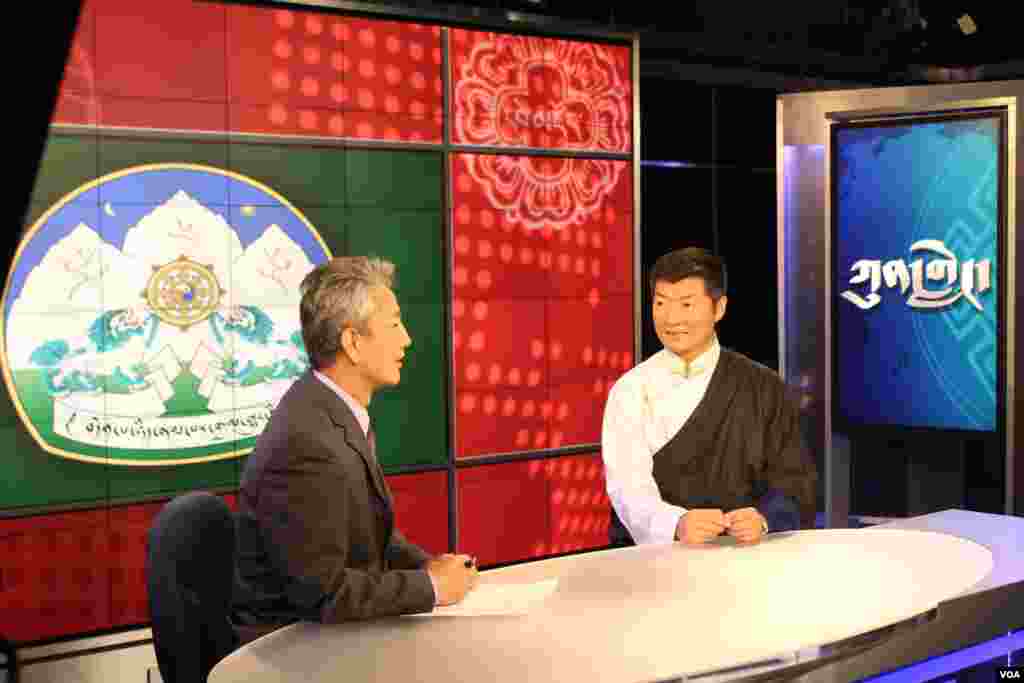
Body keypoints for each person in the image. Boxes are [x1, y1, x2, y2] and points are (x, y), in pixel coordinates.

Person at [232, 256, 477, 640]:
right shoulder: (306, 442)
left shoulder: (332, 412)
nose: (407, 338)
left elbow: (371, 539)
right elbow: (323, 594)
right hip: (290, 655)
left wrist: (428, 568)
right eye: (394, 324)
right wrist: (430, 589)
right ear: (353, 343)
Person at [601, 247, 817, 547]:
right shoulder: (631, 389)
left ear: (719, 308)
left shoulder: (763, 386)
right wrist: (675, 523)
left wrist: (764, 518)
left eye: (687, 304)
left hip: (748, 561)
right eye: (661, 303)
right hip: (657, 564)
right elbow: (627, 487)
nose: (671, 318)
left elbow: (796, 480)